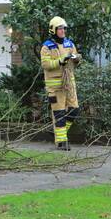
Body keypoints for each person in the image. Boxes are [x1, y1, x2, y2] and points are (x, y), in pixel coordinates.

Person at [40, 16, 80, 151]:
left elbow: (76, 58)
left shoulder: (70, 44)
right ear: (53, 30)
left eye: (64, 28)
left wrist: (77, 59)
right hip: (55, 86)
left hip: (69, 84)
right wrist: (59, 61)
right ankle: (62, 142)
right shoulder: (47, 46)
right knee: (59, 114)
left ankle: (57, 133)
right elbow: (45, 64)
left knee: (74, 110)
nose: (63, 31)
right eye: (60, 28)